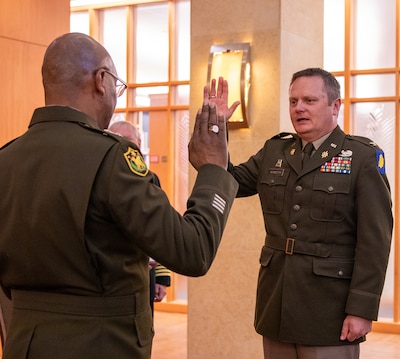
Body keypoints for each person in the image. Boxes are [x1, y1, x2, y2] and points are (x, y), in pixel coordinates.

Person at [0, 32, 238, 359]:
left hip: (24, 344)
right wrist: (213, 170)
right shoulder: (112, 159)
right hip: (101, 344)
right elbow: (191, 250)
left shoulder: (6, 159)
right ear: (101, 80)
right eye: (116, 84)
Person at [205, 69, 393, 359]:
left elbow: (375, 241)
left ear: (335, 106)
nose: (299, 108)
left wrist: (362, 308)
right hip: (277, 305)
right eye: (293, 101)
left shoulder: (362, 158)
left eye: (309, 100)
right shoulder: (275, 151)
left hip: (329, 312)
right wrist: (215, 130)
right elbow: (227, 181)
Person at [108, 120, 171, 313]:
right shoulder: (101, 177)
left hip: (146, 273)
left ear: (139, 144)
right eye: (114, 140)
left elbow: (160, 227)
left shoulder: (150, 179)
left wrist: (161, 277)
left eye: (127, 141)